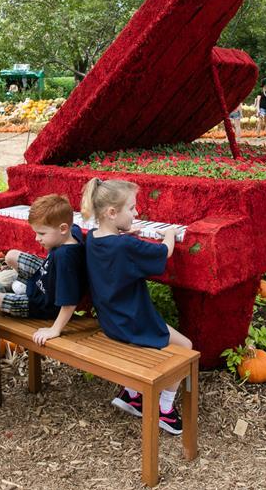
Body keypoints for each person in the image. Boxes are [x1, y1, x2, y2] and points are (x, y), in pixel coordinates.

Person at [81, 178, 193, 435]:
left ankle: (132, 395)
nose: (137, 212)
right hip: (133, 323)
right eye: (131, 208)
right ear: (112, 212)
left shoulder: (94, 238)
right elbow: (164, 252)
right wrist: (169, 235)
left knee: (168, 340)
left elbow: (116, 251)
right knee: (185, 347)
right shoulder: (125, 245)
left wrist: (124, 236)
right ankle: (165, 410)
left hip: (111, 321)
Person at [0, 195, 86, 345]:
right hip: (44, 275)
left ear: (63, 228)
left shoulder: (65, 259)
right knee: (11, 256)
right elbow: (76, 226)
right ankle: (24, 286)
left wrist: (55, 329)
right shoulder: (72, 232)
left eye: (42, 233)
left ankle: (23, 290)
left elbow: (70, 301)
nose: (37, 238)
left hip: (44, 304)